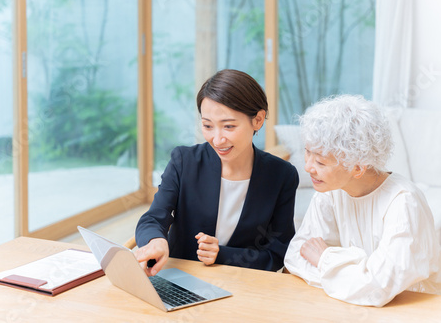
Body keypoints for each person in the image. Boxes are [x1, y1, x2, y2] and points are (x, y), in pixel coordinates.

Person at [134, 69, 299, 276]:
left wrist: (222, 254)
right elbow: (153, 219)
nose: (217, 139)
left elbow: (277, 253)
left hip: (242, 284)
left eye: (229, 126)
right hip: (180, 279)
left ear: (258, 120)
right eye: (207, 126)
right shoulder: (185, 162)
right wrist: (156, 241)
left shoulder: (281, 175)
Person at [284, 94, 441, 307]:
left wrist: (325, 259)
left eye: (320, 162)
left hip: (411, 310)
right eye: (308, 153)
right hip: (351, 308)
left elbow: (378, 289)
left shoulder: (404, 203)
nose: (308, 167)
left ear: (357, 168)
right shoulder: (330, 192)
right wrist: (360, 270)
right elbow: (296, 257)